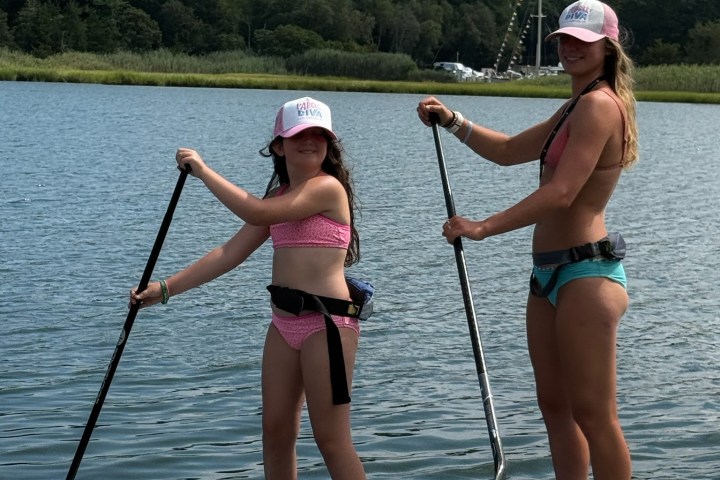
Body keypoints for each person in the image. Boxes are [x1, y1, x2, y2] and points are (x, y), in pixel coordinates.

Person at [417, 1, 637, 479]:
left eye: (583, 41)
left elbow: (561, 194)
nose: (571, 49)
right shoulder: (576, 105)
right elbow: (509, 150)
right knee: (555, 410)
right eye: (565, 40)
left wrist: (481, 227)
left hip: (586, 274)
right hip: (547, 277)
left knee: (595, 417)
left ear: (607, 47)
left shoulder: (599, 106)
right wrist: (453, 120)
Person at [130, 97, 367, 479]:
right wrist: (166, 289)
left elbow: (255, 212)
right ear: (279, 145)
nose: (310, 141)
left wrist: (204, 171)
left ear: (329, 143)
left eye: (319, 135)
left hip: (328, 326)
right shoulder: (279, 198)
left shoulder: (328, 189)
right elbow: (229, 252)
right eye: (298, 134)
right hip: (283, 324)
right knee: (275, 432)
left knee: (331, 440)